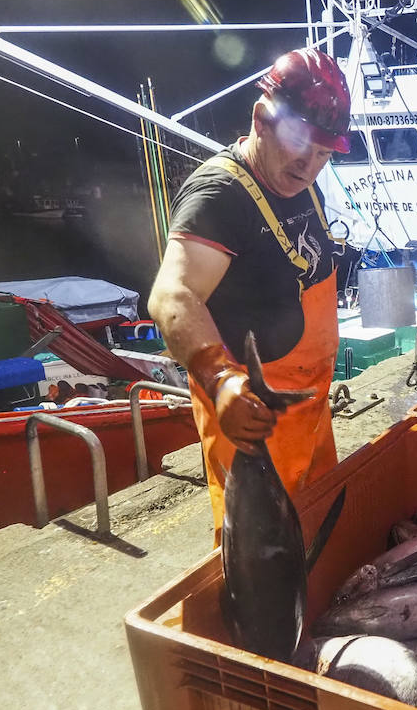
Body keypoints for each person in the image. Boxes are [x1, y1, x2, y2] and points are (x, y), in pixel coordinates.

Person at [147, 48, 351, 545]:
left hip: (309, 410)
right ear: (262, 119)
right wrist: (219, 381)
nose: (310, 167)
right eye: (300, 145)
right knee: (262, 561)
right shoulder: (219, 196)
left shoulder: (299, 183)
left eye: (324, 155)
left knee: (322, 535)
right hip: (255, 422)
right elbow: (172, 293)